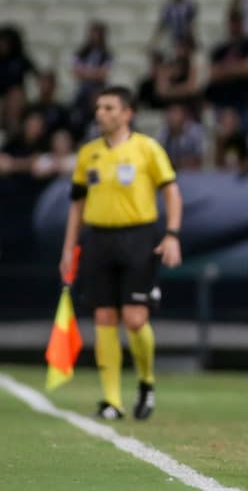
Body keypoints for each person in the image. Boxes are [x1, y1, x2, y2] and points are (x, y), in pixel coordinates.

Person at [59, 86, 183, 420]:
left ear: (127, 113)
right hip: (98, 238)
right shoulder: (88, 154)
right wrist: (69, 248)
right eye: (99, 107)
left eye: (110, 107)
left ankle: (146, 381)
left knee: (135, 318)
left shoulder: (147, 149)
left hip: (138, 237)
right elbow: (76, 205)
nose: (102, 113)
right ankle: (112, 400)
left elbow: (172, 193)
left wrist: (172, 234)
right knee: (103, 316)